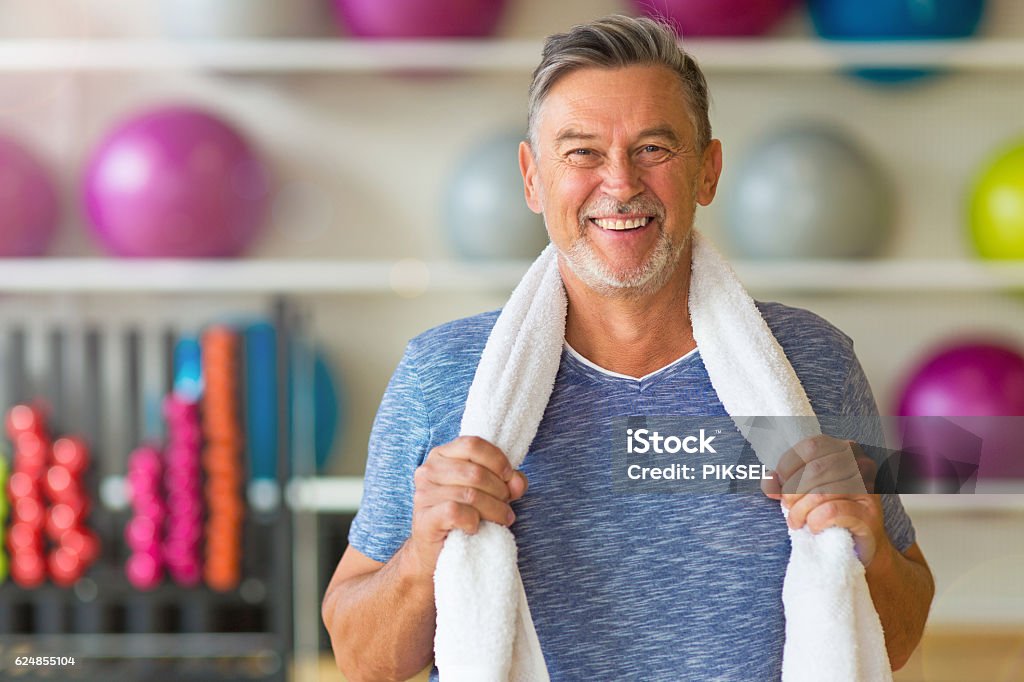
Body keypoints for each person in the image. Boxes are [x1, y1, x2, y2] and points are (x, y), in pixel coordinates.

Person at [322, 15, 934, 681]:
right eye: (581, 151)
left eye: (653, 149)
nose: (619, 183)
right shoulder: (442, 375)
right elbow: (360, 659)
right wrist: (421, 556)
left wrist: (868, 544)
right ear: (532, 178)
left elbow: (897, 638)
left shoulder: (815, 363)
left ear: (708, 171)